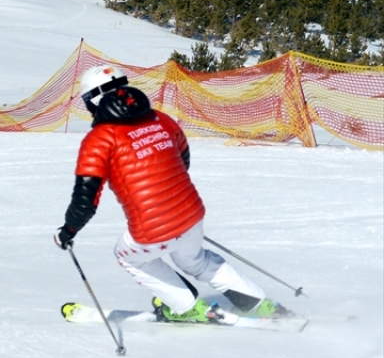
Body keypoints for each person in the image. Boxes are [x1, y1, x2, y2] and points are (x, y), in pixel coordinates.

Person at [54, 65, 292, 322]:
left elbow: (85, 201)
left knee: (129, 257)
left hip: (151, 228)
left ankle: (188, 307)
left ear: (93, 101)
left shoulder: (99, 139)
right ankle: (261, 305)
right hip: (192, 213)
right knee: (195, 260)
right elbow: (183, 159)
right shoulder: (160, 118)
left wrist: (67, 232)